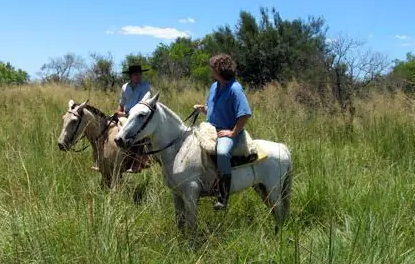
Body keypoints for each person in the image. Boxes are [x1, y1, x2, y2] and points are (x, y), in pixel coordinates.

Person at [194, 53, 252, 210]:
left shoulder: (235, 89)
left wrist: (232, 133)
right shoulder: (214, 86)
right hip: (211, 128)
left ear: (220, 70)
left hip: (227, 131)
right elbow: (214, 110)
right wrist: (203, 109)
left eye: (213, 68)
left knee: (222, 152)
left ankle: (223, 196)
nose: (211, 71)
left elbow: (245, 114)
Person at [115, 64, 153, 173]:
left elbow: (144, 105)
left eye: (138, 74)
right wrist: (118, 112)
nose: (137, 76)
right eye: (134, 74)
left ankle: (138, 162)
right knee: (108, 125)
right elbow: (121, 103)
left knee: (138, 134)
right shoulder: (125, 87)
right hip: (125, 115)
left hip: (139, 116)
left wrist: (127, 115)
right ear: (130, 76)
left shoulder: (146, 87)